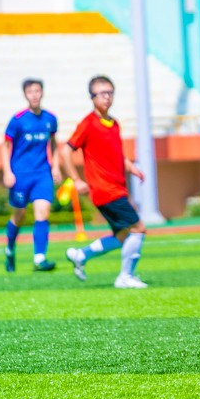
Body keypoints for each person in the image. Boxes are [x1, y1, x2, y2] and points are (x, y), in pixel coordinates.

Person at [60, 75, 148, 289]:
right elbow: (65, 151)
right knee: (138, 228)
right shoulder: (88, 123)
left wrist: (131, 167)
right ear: (92, 97)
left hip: (116, 187)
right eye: (102, 93)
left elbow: (116, 153)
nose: (107, 97)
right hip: (104, 189)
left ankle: (81, 255)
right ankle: (125, 277)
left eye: (110, 93)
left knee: (122, 235)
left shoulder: (114, 123)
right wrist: (76, 179)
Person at [1, 78, 61, 272]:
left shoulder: (50, 119)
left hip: (42, 174)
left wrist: (56, 167)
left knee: (42, 213)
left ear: (42, 92)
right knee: (19, 215)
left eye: (37, 91)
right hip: (20, 176)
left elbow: (54, 144)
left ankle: (39, 258)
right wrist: (7, 172)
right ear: (25, 95)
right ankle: (10, 249)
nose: (34, 95)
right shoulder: (18, 120)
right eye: (30, 92)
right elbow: (5, 146)